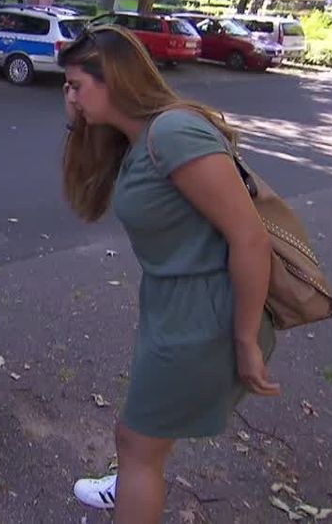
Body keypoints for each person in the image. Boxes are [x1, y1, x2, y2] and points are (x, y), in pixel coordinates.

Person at [58, 26, 278, 523]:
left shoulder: (174, 133)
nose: (68, 96)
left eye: (75, 85)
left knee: (135, 443)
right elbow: (86, 192)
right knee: (146, 440)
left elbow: (250, 238)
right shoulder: (136, 138)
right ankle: (134, 483)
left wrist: (245, 339)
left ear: (112, 78)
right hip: (172, 308)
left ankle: (134, 486)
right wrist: (78, 120)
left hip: (204, 318)